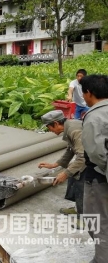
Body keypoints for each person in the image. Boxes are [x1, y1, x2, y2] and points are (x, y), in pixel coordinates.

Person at [79, 74, 108, 263]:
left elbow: (97, 154)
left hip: (99, 177)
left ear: (89, 93)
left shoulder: (94, 117)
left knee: (98, 222)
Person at [38, 110, 85, 223]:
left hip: (98, 158)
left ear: (55, 123)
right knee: (75, 178)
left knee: (83, 182)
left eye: (49, 127)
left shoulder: (75, 130)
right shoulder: (69, 127)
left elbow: (82, 157)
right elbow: (70, 150)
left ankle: (85, 218)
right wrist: (55, 164)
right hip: (89, 156)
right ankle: (79, 210)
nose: (49, 130)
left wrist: (65, 173)